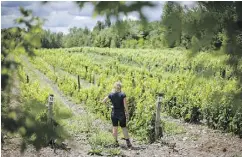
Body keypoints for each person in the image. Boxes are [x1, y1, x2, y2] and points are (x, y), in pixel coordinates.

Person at [102, 82, 132, 148]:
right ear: (120, 87)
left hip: (114, 113)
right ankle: (128, 142)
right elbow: (125, 105)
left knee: (114, 128)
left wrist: (110, 106)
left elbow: (103, 101)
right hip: (121, 113)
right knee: (124, 127)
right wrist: (127, 112)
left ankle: (115, 143)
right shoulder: (122, 94)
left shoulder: (111, 94)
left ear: (114, 87)